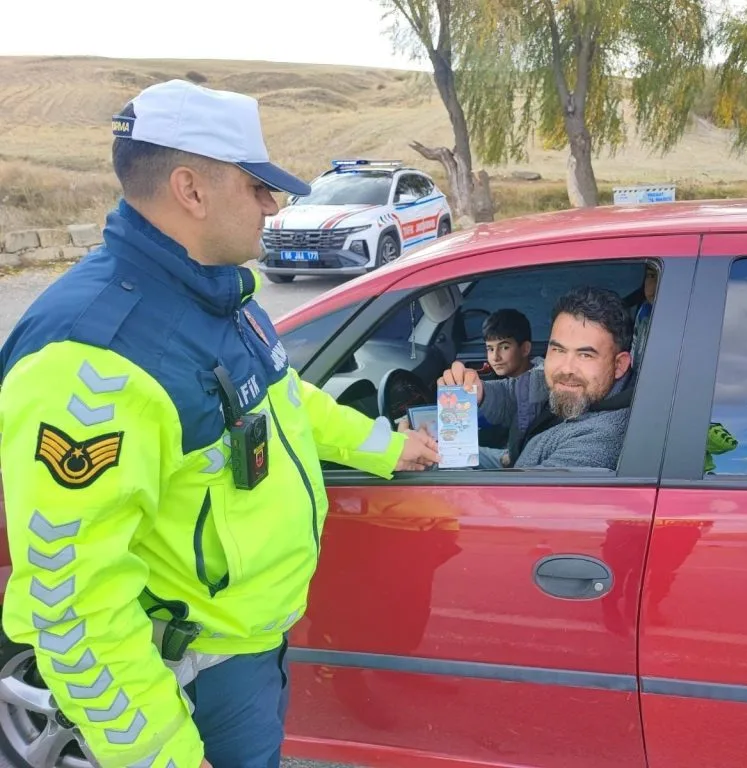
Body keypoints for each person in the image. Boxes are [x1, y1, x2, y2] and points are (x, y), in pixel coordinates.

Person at [0, 79, 439, 768]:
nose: (274, 203)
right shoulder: (94, 357)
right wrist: (164, 754)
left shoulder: (218, 297)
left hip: (246, 649)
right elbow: (71, 602)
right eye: (257, 186)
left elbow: (286, 401)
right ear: (191, 190)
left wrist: (383, 445)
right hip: (191, 679)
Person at [439, 286, 634, 470]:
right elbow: (516, 392)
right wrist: (480, 392)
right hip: (515, 461)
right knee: (434, 454)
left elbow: (521, 499)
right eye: (558, 350)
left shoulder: (602, 439)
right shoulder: (568, 384)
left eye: (585, 355)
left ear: (619, 366)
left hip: (516, 485)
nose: (566, 369)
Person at [476, 309, 543, 468]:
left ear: (525, 349)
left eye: (504, 347)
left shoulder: (540, 383)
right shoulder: (513, 382)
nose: (495, 357)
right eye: (490, 349)